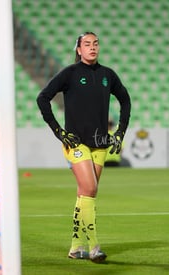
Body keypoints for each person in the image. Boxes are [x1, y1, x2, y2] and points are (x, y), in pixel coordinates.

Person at [36, 32, 131, 263]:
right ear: (78, 49)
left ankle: (75, 247)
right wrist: (59, 132)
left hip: (100, 145)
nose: (92, 47)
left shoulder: (108, 75)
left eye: (95, 43)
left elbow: (125, 100)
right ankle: (94, 246)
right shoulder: (70, 73)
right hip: (76, 143)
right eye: (87, 44)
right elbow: (43, 98)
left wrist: (119, 133)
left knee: (85, 193)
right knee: (90, 188)